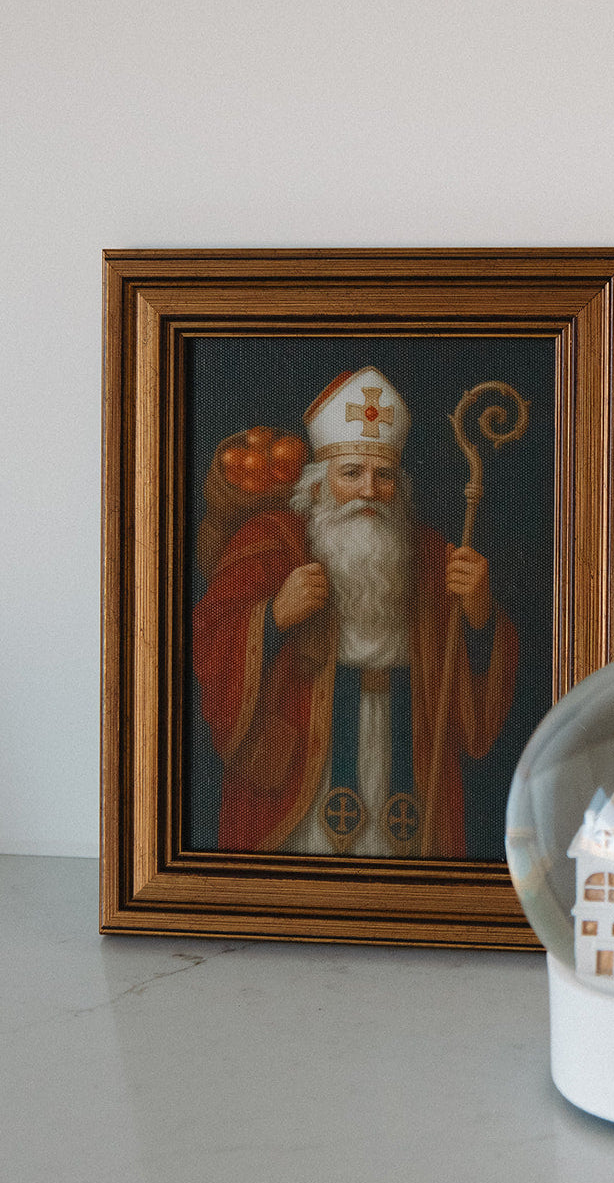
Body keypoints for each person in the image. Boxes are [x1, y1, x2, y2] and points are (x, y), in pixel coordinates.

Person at [192, 367, 518, 858]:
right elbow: (209, 635)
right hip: (300, 758)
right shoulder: (272, 542)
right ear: (319, 487)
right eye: (352, 473)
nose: (369, 490)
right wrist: (273, 616)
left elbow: (471, 689)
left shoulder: (429, 554)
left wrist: (480, 616)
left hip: (408, 747)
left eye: (383, 475)